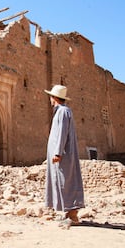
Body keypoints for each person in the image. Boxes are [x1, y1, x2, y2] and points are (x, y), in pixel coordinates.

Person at [44, 84, 85, 224]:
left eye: (51, 96)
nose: (50, 99)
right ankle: (69, 213)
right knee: (63, 181)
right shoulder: (62, 111)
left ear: (54, 98)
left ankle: (73, 215)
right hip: (62, 154)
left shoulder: (62, 112)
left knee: (66, 181)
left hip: (63, 155)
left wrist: (57, 152)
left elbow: (61, 133)